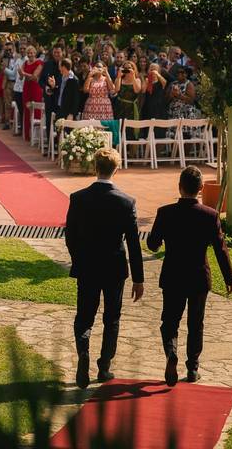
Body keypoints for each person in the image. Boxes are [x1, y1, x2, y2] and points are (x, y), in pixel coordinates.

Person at [146, 166, 232, 386]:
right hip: (198, 276)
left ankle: (171, 353)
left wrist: (159, 238)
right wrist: (229, 278)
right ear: (201, 189)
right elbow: (220, 249)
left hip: (173, 275)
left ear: (179, 187)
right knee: (196, 323)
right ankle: (193, 368)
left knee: (169, 321)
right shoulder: (210, 215)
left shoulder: (165, 212)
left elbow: (152, 244)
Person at [65, 147, 144, 389]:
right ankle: (104, 366)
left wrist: (78, 258)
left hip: (87, 265)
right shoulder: (126, 202)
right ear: (116, 170)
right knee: (112, 317)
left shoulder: (78, 198)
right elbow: (133, 243)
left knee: (84, 316)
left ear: (95, 168)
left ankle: (83, 352)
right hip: (114, 267)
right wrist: (139, 279)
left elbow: (70, 236)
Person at [20, 45, 44, 141]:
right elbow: (21, 76)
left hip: (35, 88)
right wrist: (21, 74)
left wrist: (24, 73)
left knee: (36, 110)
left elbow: (34, 76)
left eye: (32, 53)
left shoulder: (39, 63)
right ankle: (27, 135)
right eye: (28, 53)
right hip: (26, 87)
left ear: (35, 53)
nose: (30, 54)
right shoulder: (25, 63)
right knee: (26, 109)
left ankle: (36, 135)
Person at [42, 45, 64, 123]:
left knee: (59, 122)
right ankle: (48, 135)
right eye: (55, 52)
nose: (56, 54)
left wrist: (55, 86)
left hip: (61, 98)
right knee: (49, 121)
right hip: (49, 97)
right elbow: (41, 80)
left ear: (62, 53)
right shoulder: (47, 64)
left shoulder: (66, 64)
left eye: (58, 52)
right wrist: (46, 87)